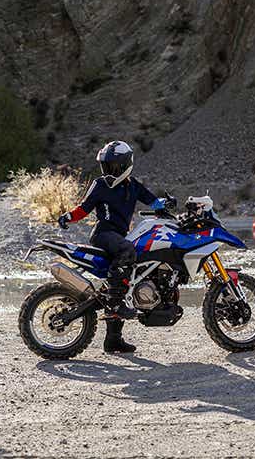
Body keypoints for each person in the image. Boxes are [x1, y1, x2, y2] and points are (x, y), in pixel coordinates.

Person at [57, 140, 173, 353]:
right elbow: (84, 209)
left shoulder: (133, 186)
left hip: (119, 237)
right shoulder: (100, 185)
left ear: (125, 165)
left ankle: (113, 339)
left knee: (126, 279)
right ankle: (115, 303)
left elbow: (153, 201)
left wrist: (166, 205)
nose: (109, 170)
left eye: (114, 166)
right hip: (103, 235)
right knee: (127, 251)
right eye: (106, 166)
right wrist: (68, 217)